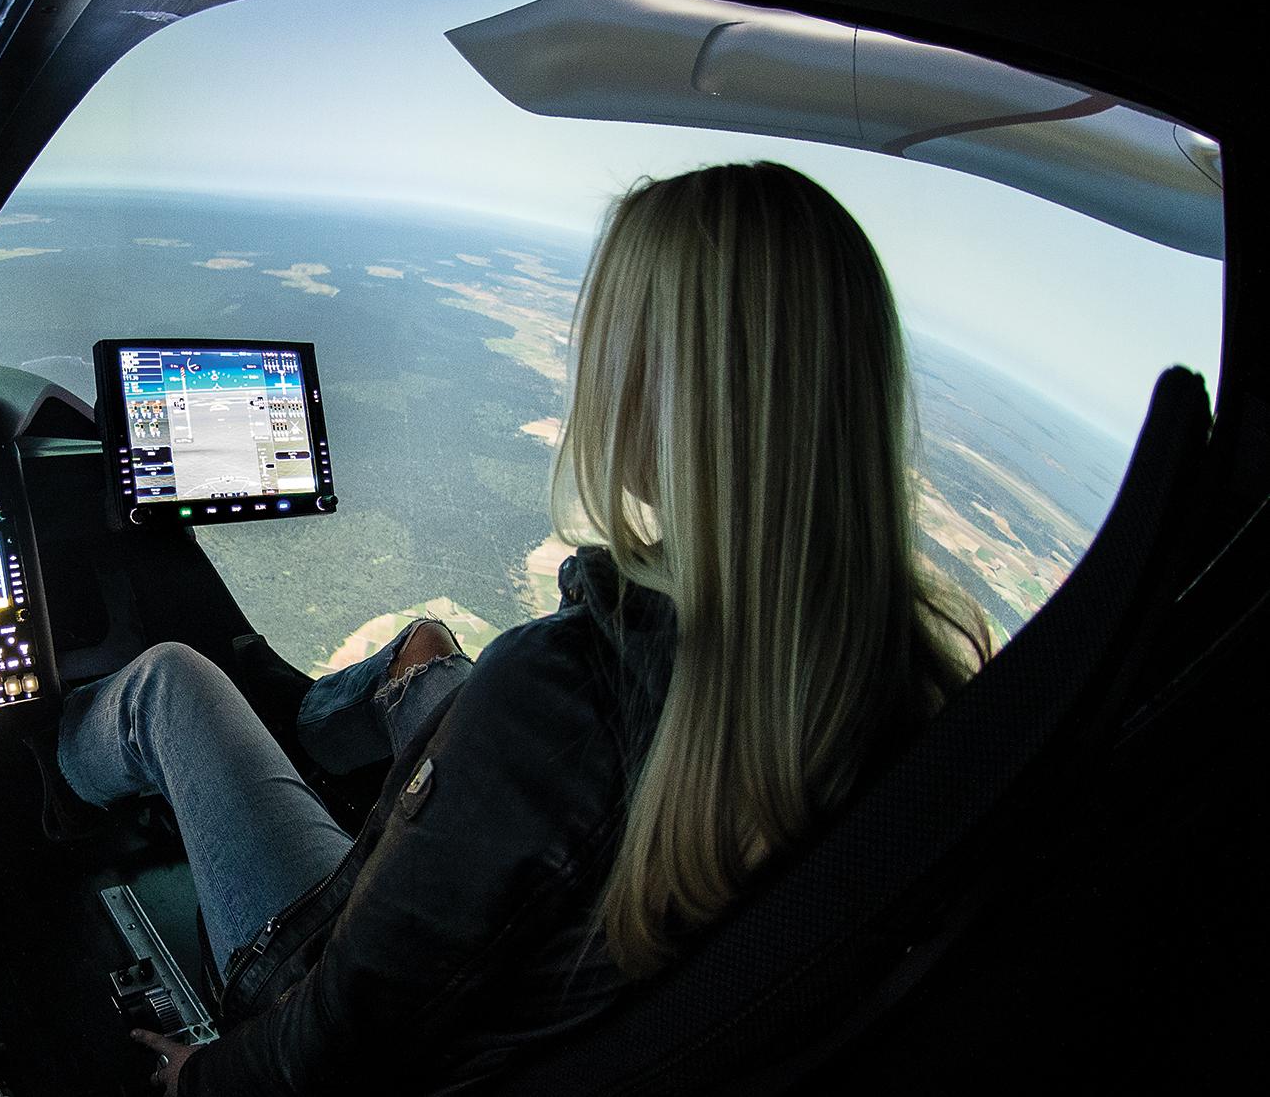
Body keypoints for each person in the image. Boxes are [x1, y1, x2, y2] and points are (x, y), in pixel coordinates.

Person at [57, 162, 991, 1095]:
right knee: (424, 648)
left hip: (302, 985)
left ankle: (34, 767)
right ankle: (300, 730)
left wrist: (201, 1080)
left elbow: (335, 1035)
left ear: (654, 388)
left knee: (169, 681)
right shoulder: (911, 693)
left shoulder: (564, 693)